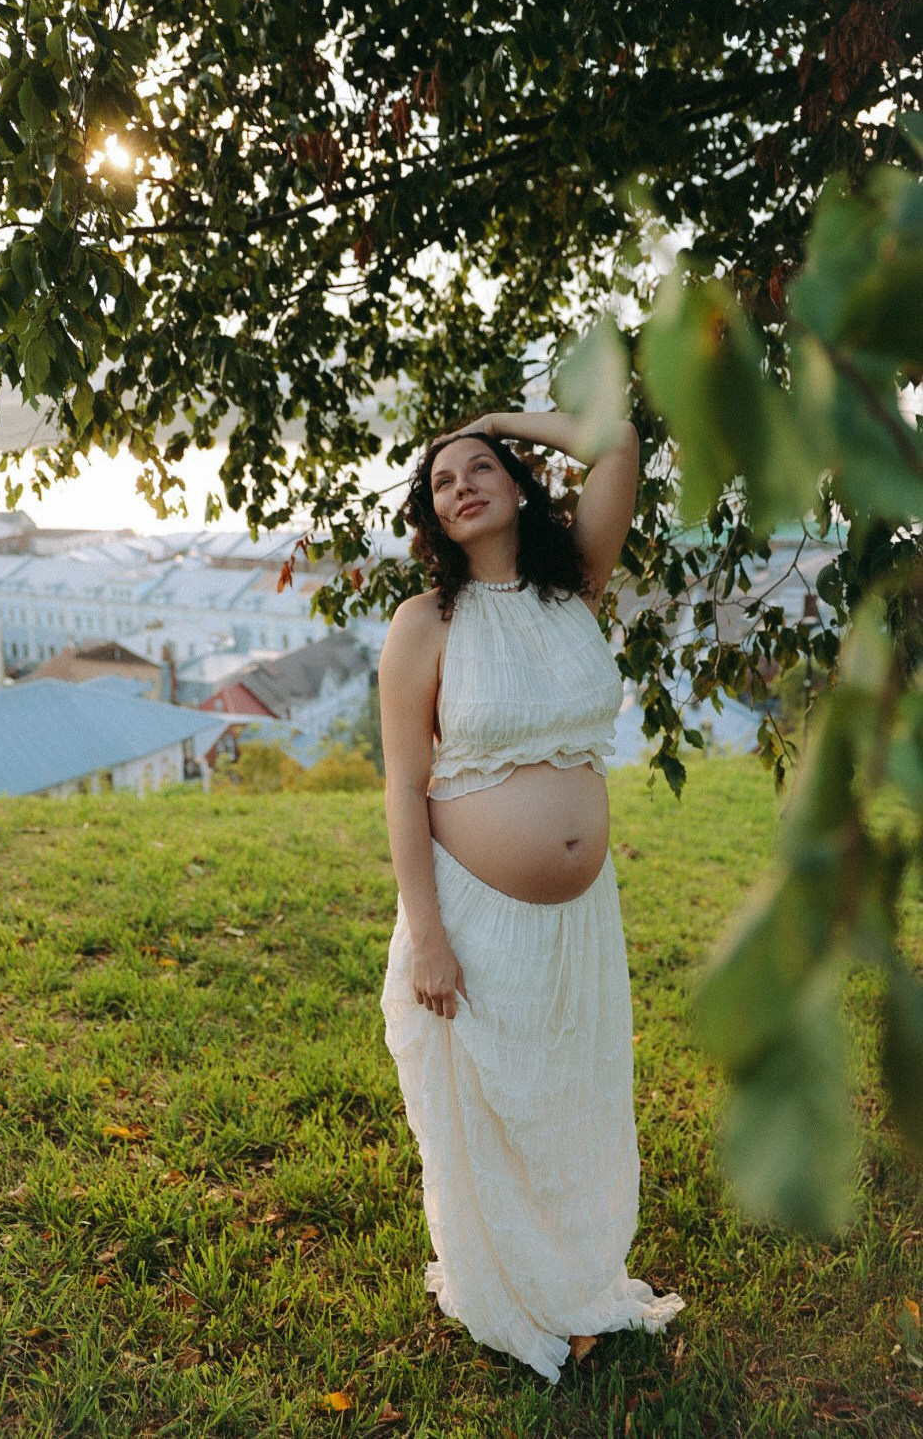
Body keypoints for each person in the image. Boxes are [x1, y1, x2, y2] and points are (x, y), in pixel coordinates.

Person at [377, 408, 684, 1382]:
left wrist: (500, 419)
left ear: (517, 486)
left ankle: (576, 1276)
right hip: (476, 911)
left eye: (482, 469)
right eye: (440, 481)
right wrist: (425, 935)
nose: (461, 485)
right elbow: (401, 784)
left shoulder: (574, 588)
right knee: (497, 1112)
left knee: (572, 1100)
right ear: (433, 518)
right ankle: (516, 1290)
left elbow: (619, 446)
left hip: (579, 921)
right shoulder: (426, 624)